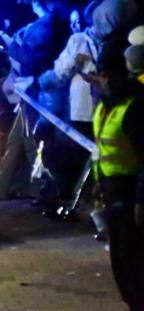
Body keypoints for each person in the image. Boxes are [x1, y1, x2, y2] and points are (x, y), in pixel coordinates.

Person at [91, 46, 144, 308]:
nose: (108, 79)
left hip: (131, 193)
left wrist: (140, 201)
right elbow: (102, 151)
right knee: (121, 263)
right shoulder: (104, 108)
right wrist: (98, 185)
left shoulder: (135, 107)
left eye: (113, 73)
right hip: (112, 193)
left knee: (132, 263)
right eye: (103, 74)